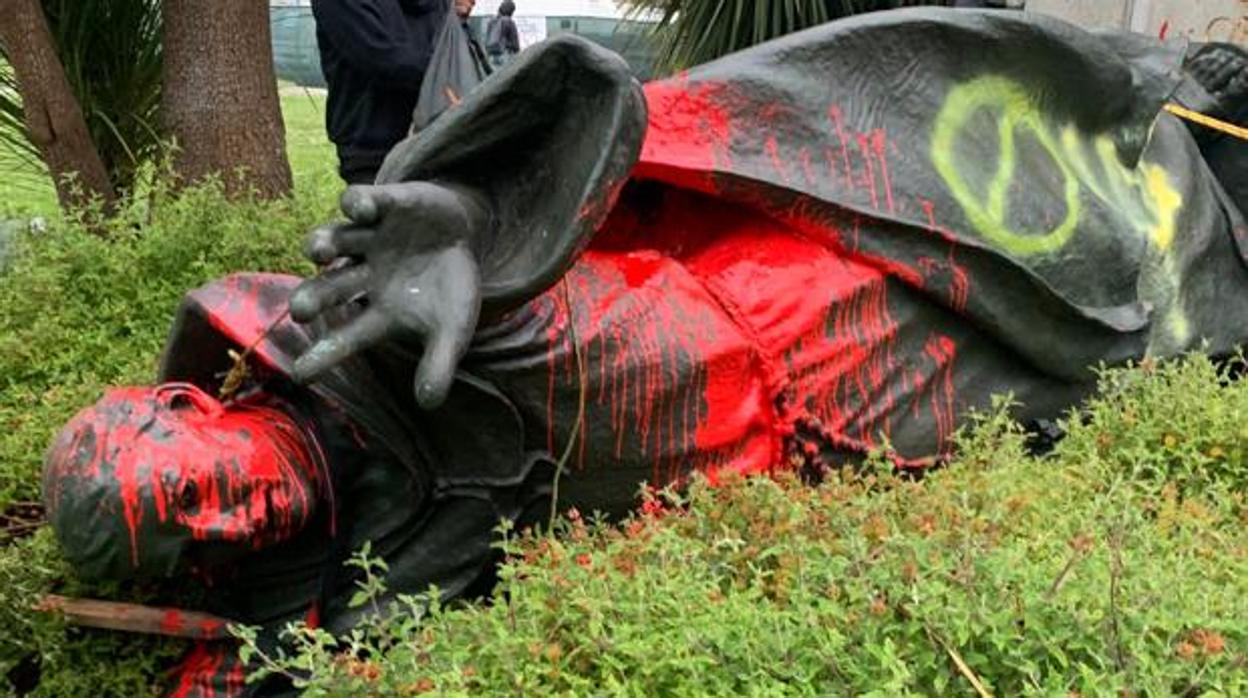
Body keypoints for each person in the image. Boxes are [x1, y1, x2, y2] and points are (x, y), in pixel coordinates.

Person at [41, 9, 1248, 696]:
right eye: (190, 533)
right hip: (842, 432)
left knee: (1101, 246)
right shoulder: (351, 565)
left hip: (787, 301)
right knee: (1094, 373)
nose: (226, 514)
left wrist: (474, 215)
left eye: (195, 484)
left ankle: (1199, 151)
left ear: (194, 401)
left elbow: (590, 100)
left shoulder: (359, 327)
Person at [311, 0, 475, 185]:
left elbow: (384, 57)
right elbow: (384, 60)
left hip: (382, 143)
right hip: (425, 141)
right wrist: (447, 79)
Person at [485, 1, 522, 69]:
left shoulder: (491, 21)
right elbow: (515, 42)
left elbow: (487, 38)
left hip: (492, 55)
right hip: (505, 54)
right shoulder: (509, 22)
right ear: (511, 11)